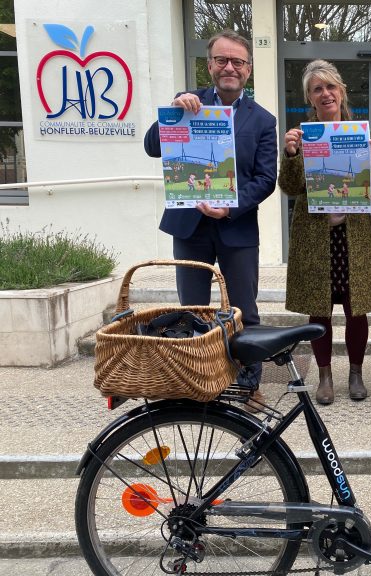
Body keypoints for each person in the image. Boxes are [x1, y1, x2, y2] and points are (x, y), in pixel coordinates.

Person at [144, 29, 277, 401]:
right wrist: (172, 113)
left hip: (236, 228)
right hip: (189, 227)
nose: (229, 67)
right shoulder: (188, 104)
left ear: (249, 69)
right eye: (222, 60)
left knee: (243, 312)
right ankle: (196, 385)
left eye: (238, 61)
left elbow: (266, 179)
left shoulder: (263, 121)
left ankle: (248, 385)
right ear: (210, 65)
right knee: (192, 311)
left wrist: (230, 207)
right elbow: (152, 148)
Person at [278, 59, 371, 405]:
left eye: (330, 87)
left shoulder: (359, 136)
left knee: (357, 309)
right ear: (310, 98)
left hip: (351, 237)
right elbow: (289, 187)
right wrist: (291, 153)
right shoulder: (303, 135)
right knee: (320, 307)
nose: (325, 93)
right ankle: (325, 374)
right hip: (315, 237)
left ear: (341, 92)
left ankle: (355, 372)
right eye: (317, 89)